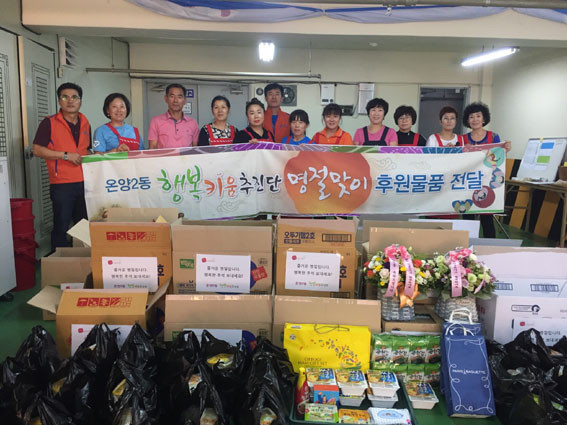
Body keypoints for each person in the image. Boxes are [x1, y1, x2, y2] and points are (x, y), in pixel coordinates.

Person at [32, 82, 90, 251]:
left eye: (74, 97)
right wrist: (65, 155)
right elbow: (37, 150)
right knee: (61, 224)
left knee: (83, 224)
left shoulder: (85, 122)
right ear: (59, 101)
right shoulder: (49, 122)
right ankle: (58, 260)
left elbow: (86, 150)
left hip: (85, 181)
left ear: (80, 101)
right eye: (65, 97)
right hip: (62, 183)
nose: (70, 101)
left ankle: (83, 258)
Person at [148, 83, 199, 149]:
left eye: (179, 97)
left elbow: (196, 148)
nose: (175, 100)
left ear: (184, 100)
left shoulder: (193, 123)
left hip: (186, 156)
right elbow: (152, 148)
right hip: (164, 156)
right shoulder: (156, 121)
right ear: (166, 99)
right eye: (172, 96)